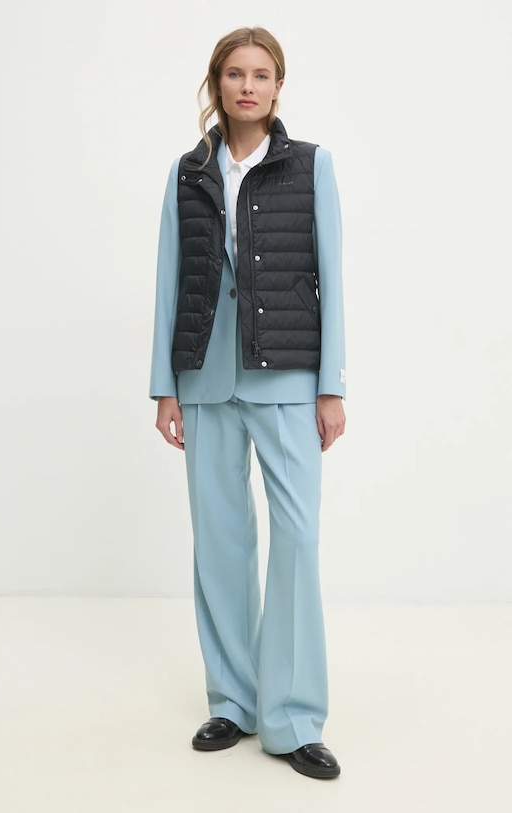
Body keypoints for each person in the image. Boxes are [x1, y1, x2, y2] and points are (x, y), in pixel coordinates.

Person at [149, 26, 346, 780]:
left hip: (288, 376)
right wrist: (165, 386)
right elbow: (171, 278)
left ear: (278, 86)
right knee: (221, 542)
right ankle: (232, 699)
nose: (248, 86)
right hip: (204, 379)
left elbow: (332, 276)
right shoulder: (188, 171)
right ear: (217, 83)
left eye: (262, 74)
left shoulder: (311, 166)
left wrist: (331, 384)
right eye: (236, 73)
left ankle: (292, 716)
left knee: (297, 537)